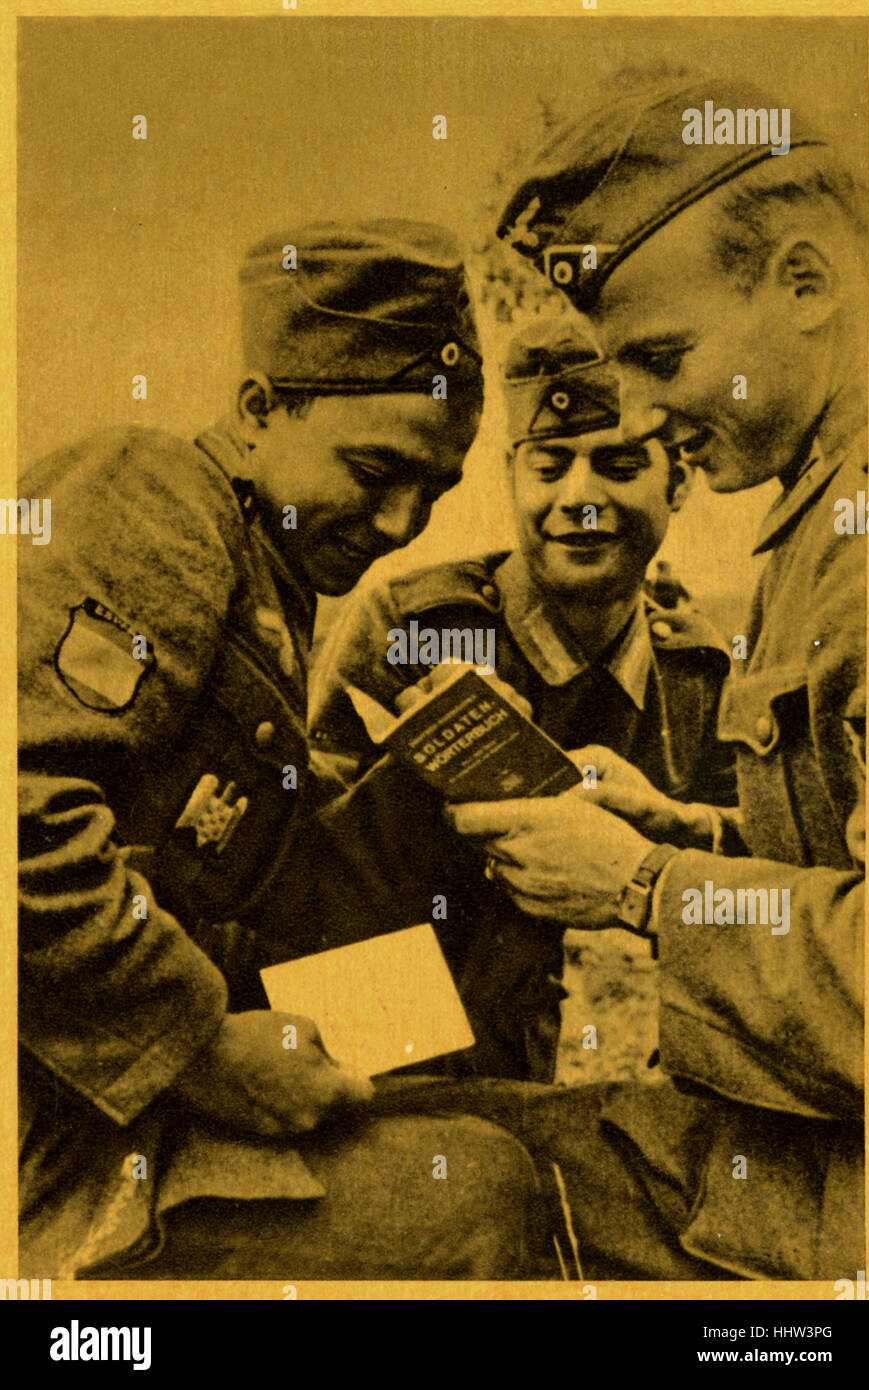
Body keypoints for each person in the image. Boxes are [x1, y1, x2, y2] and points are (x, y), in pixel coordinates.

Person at [17, 220, 547, 1280]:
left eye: (435, 493)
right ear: (260, 412)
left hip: (111, 1096)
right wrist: (207, 1044)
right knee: (486, 1193)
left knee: (545, 1130)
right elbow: (19, 809)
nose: (401, 523)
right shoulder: (153, 494)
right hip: (52, 1146)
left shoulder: (274, 577)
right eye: (376, 469)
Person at [427, 76, 865, 1280]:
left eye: (662, 359)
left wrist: (648, 886)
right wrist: (694, 833)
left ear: (807, 283)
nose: (653, 419)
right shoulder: (822, 520)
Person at [309, 314, 736, 1082]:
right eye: (549, 467)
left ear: (677, 482)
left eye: (617, 464)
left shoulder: (696, 676)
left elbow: (749, 889)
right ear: (511, 478)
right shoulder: (412, 628)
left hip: (541, 1058)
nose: (580, 498)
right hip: (371, 1062)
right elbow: (302, 885)